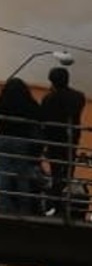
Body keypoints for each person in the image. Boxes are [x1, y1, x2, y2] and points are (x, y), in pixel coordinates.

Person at [39, 66, 86, 215]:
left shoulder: (48, 99)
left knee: (56, 173)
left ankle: (55, 205)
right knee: (68, 172)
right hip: (71, 140)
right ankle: (64, 204)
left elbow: (44, 119)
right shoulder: (79, 97)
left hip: (54, 142)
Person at [0, 77, 44, 215]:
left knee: (3, 173)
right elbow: (39, 119)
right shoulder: (30, 104)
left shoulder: (3, 103)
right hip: (23, 142)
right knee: (22, 175)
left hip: (4, 140)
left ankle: (5, 206)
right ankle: (24, 208)